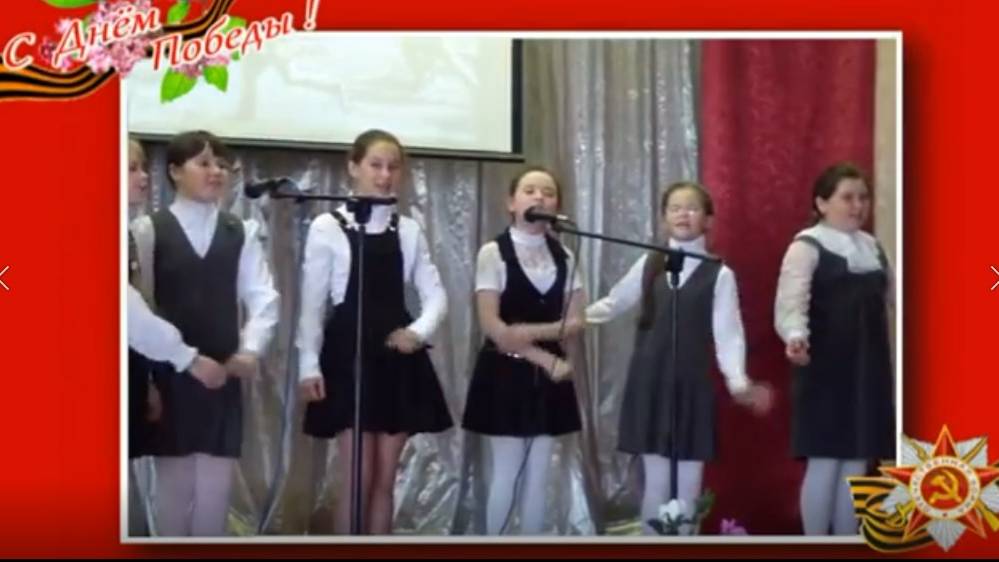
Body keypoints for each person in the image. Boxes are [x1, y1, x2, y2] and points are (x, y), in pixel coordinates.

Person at [586, 181, 772, 534]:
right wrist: (575, 320)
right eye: (675, 208)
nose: (683, 214)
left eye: (692, 208)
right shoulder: (649, 263)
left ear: (708, 220)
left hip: (692, 387)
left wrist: (738, 382)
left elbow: (728, 335)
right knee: (655, 482)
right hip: (651, 382)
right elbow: (614, 303)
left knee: (688, 485)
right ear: (663, 218)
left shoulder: (719, 274)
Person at [297, 129, 453, 535]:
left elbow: (436, 295)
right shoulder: (327, 227)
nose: (385, 176)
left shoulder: (409, 229)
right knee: (358, 477)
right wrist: (308, 364)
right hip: (349, 356)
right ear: (353, 167)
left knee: (385, 478)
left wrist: (416, 332)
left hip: (394, 359)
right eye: (375, 165)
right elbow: (312, 304)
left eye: (393, 167)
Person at [130, 130, 279, 536]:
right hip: (167, 377)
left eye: (222, 165)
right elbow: (138, 307)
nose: (216, 172)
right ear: (175, 171)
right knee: (173, 496)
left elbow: (263, 296)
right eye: (204, 163)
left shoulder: (240, 231)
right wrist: (152, 379)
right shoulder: (146, 230)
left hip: (222, 375)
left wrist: (251, 349)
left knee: (216, 495)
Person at [461, 166, 585, 535]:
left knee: (539, 474)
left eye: (547, 192)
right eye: (529, 190)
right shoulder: (493, 253)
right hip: (506, 373)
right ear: (511, 203)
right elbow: (493, 326)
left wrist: (528, 332)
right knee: (507, 471)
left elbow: (576, 321)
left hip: (550, 377)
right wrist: (543, 355)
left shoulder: (565, 254)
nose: (539, 197)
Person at [774, 162, 895, 535]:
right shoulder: (806, 246)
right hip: (824, 367)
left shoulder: (873, 248)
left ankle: (846, 542)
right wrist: (795, 336)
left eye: (863, 198)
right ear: (822, 203)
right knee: (825, 462)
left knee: (857, 463)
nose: (858, 206)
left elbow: (899, 299)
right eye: (847, 197)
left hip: (868, 367)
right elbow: (790, 303)